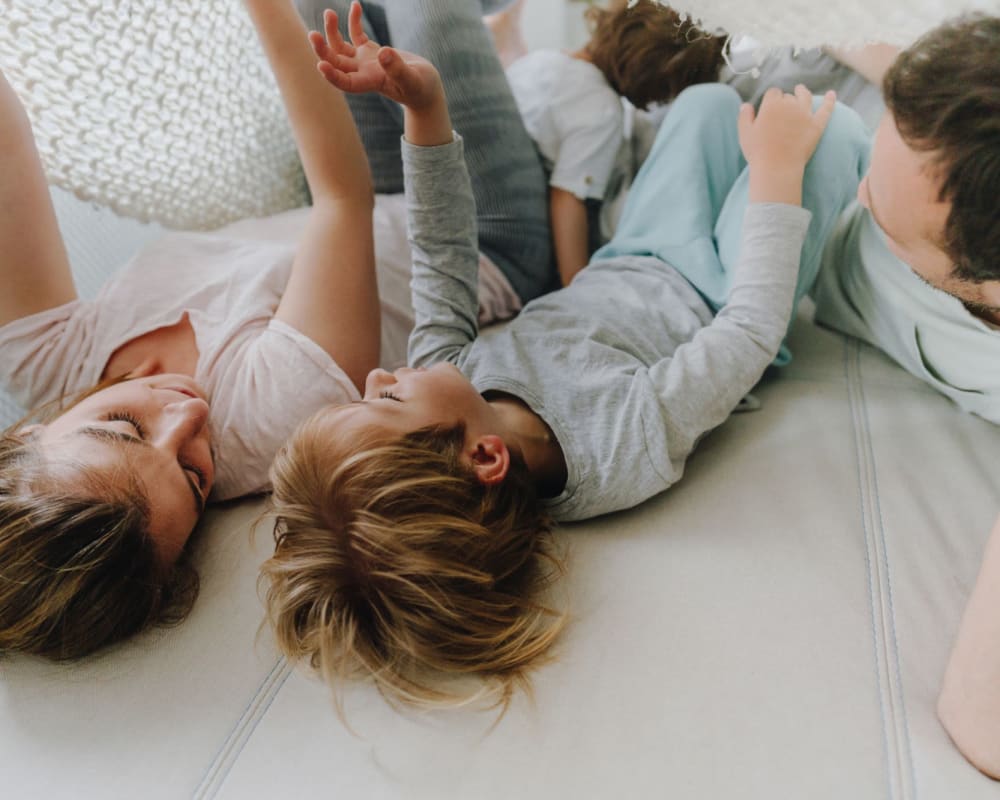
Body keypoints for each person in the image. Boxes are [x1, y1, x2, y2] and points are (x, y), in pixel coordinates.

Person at [260, 1, 871, 709]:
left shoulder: (454, 375)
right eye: (385, 399)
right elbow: (746, 332)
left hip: (634, 255)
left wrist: (425, 107)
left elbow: (442, 253)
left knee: (704, 104)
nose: (378, 373)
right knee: (834, 134)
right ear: (484, 458)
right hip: (718, 295)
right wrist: (776, 170)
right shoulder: (617, 451)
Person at [0, 0, 551, 662]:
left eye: (124, 427)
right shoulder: (269, 418)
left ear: (27, 434)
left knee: (329, 11)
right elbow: (342, 196)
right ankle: (511, 47)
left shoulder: (42, 361)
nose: (187, 414)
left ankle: (507, 47)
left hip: (382, 191)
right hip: (478, 236)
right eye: (193, 477)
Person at [487, 0, 727, 286]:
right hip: (535, 234)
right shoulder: (601, 110)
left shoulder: (542, 61)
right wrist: (574, 285)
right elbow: (568, 198)